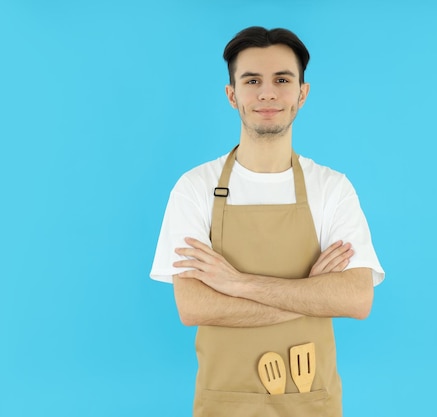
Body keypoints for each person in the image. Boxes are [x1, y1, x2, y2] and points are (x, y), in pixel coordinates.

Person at [150, 26, 384, 417]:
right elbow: (193, 306)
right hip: (224, 400)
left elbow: (357, 299)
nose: (267, 92)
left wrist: (237, 284)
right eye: (252, 80)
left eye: (282, 79)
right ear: (232, 95)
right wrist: (312, 293)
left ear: (302, 94)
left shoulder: (331, 188)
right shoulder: (195, 188)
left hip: (310, 399)